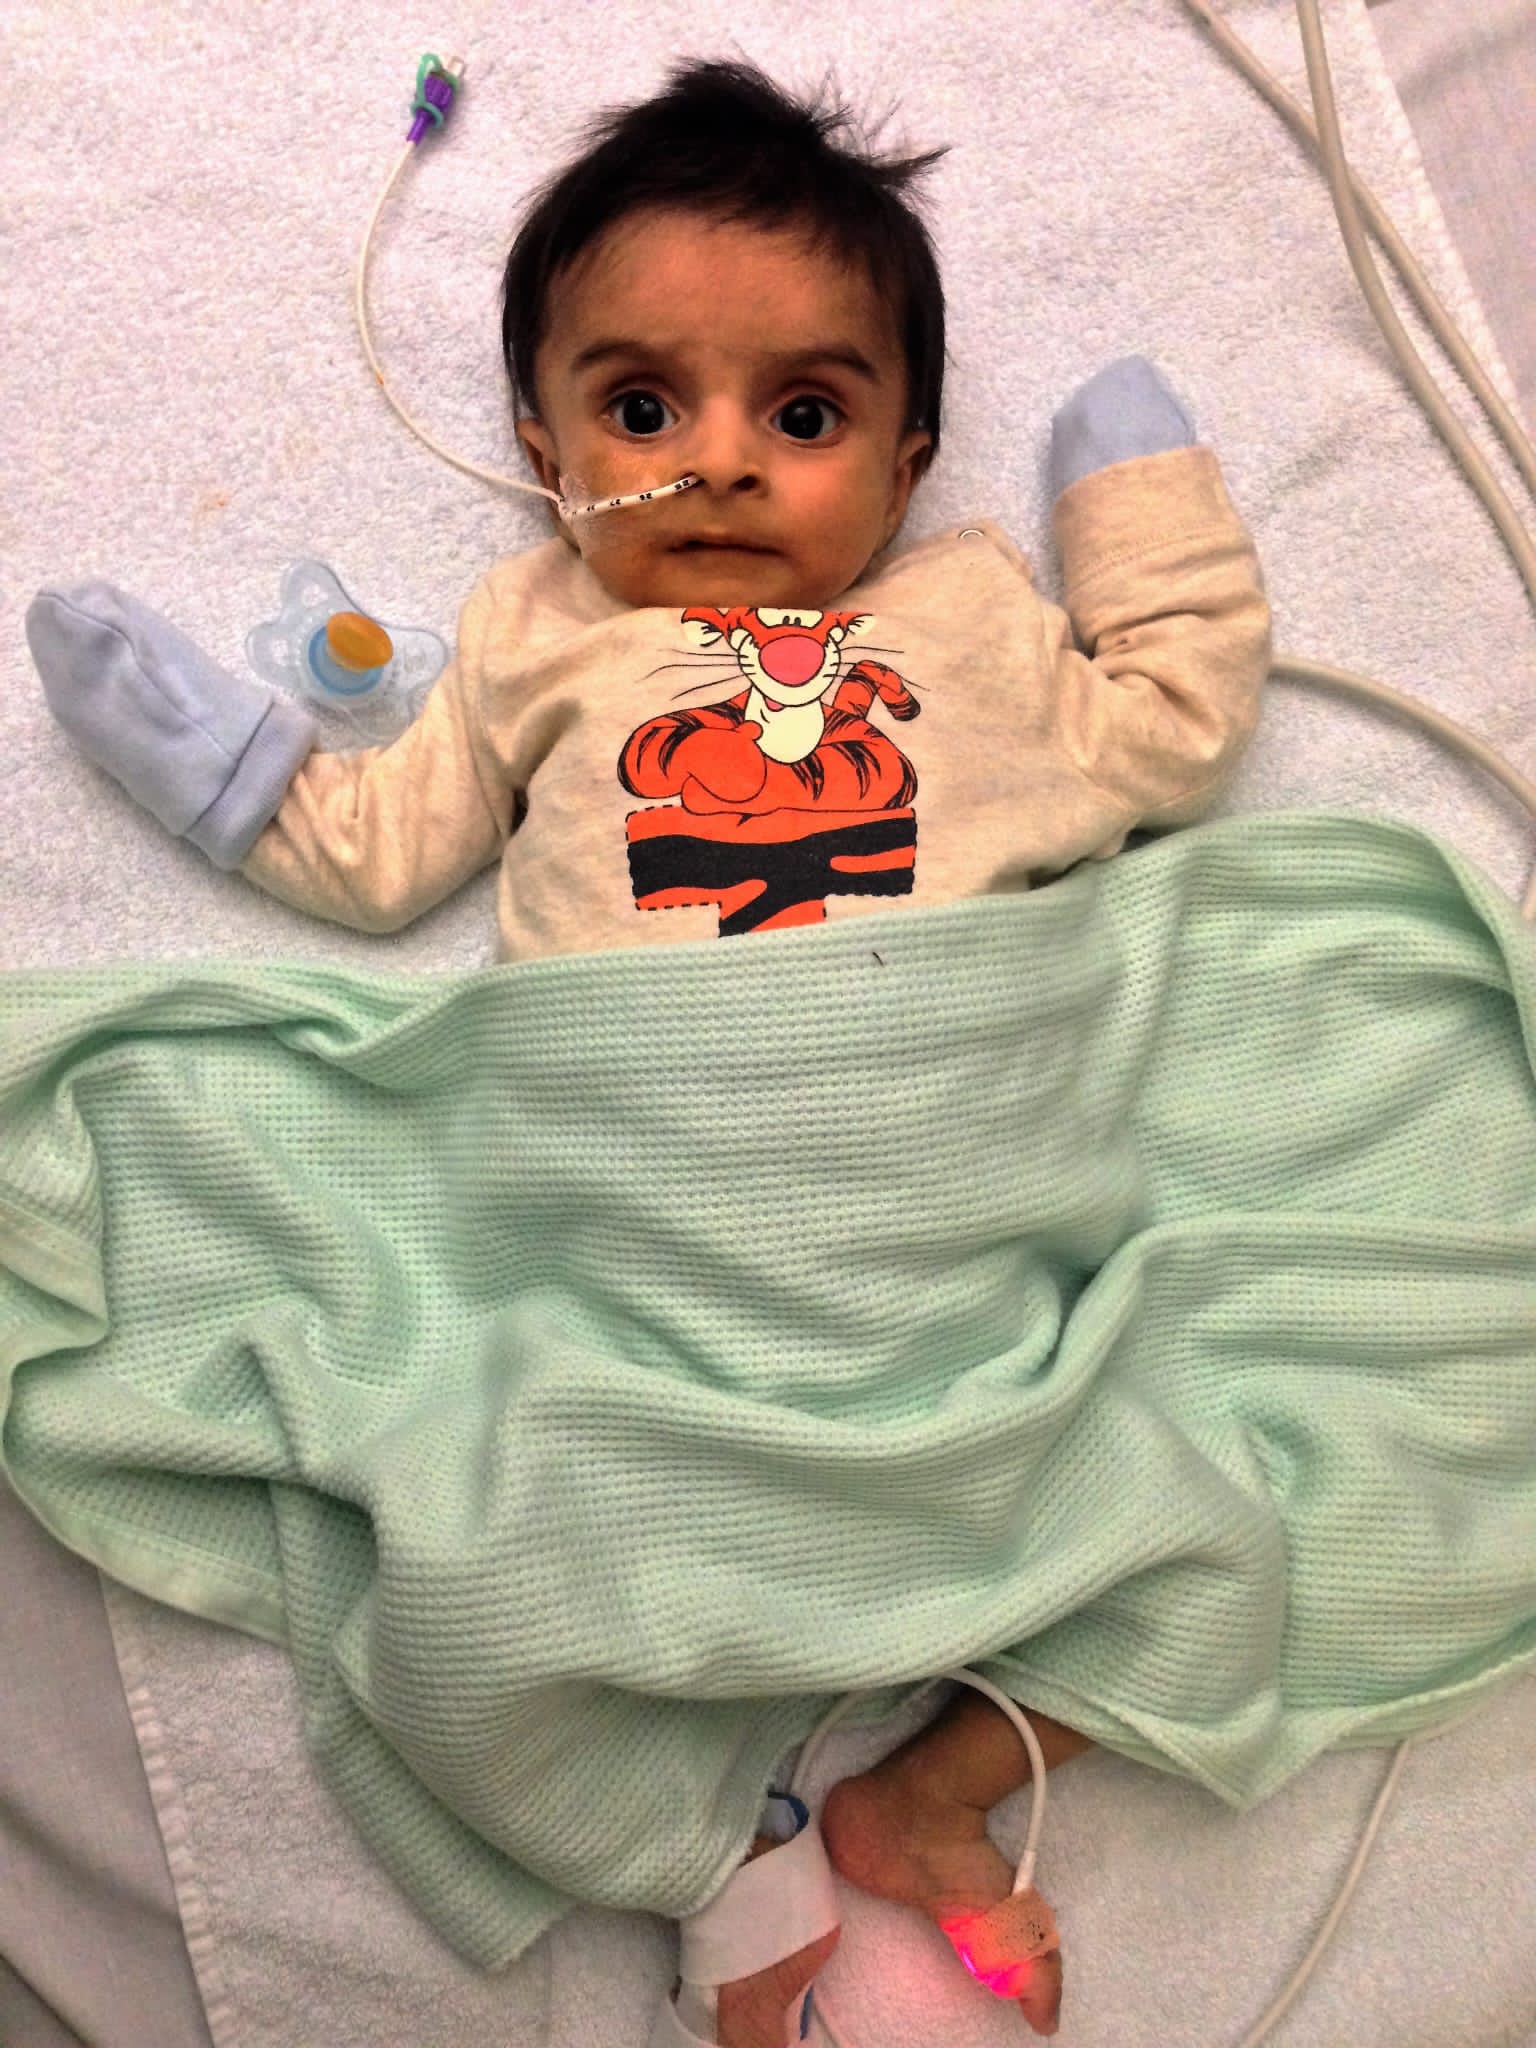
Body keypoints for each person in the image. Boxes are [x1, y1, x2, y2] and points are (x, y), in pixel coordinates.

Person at [26, 56, 1271, 2048]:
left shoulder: (972, 624)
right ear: (544, 453)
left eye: (803, 415)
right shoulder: (537, 640)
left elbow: (1174, 725)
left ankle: (931, 1795)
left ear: (908, 459)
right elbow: (375, 854)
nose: (717, 467)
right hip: (630, 1288)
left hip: (971, 1292)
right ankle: (719, 1849)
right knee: (456, 1626)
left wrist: (1139, 517)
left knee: (1228, 1555)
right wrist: (220, 759)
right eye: (640, 410)